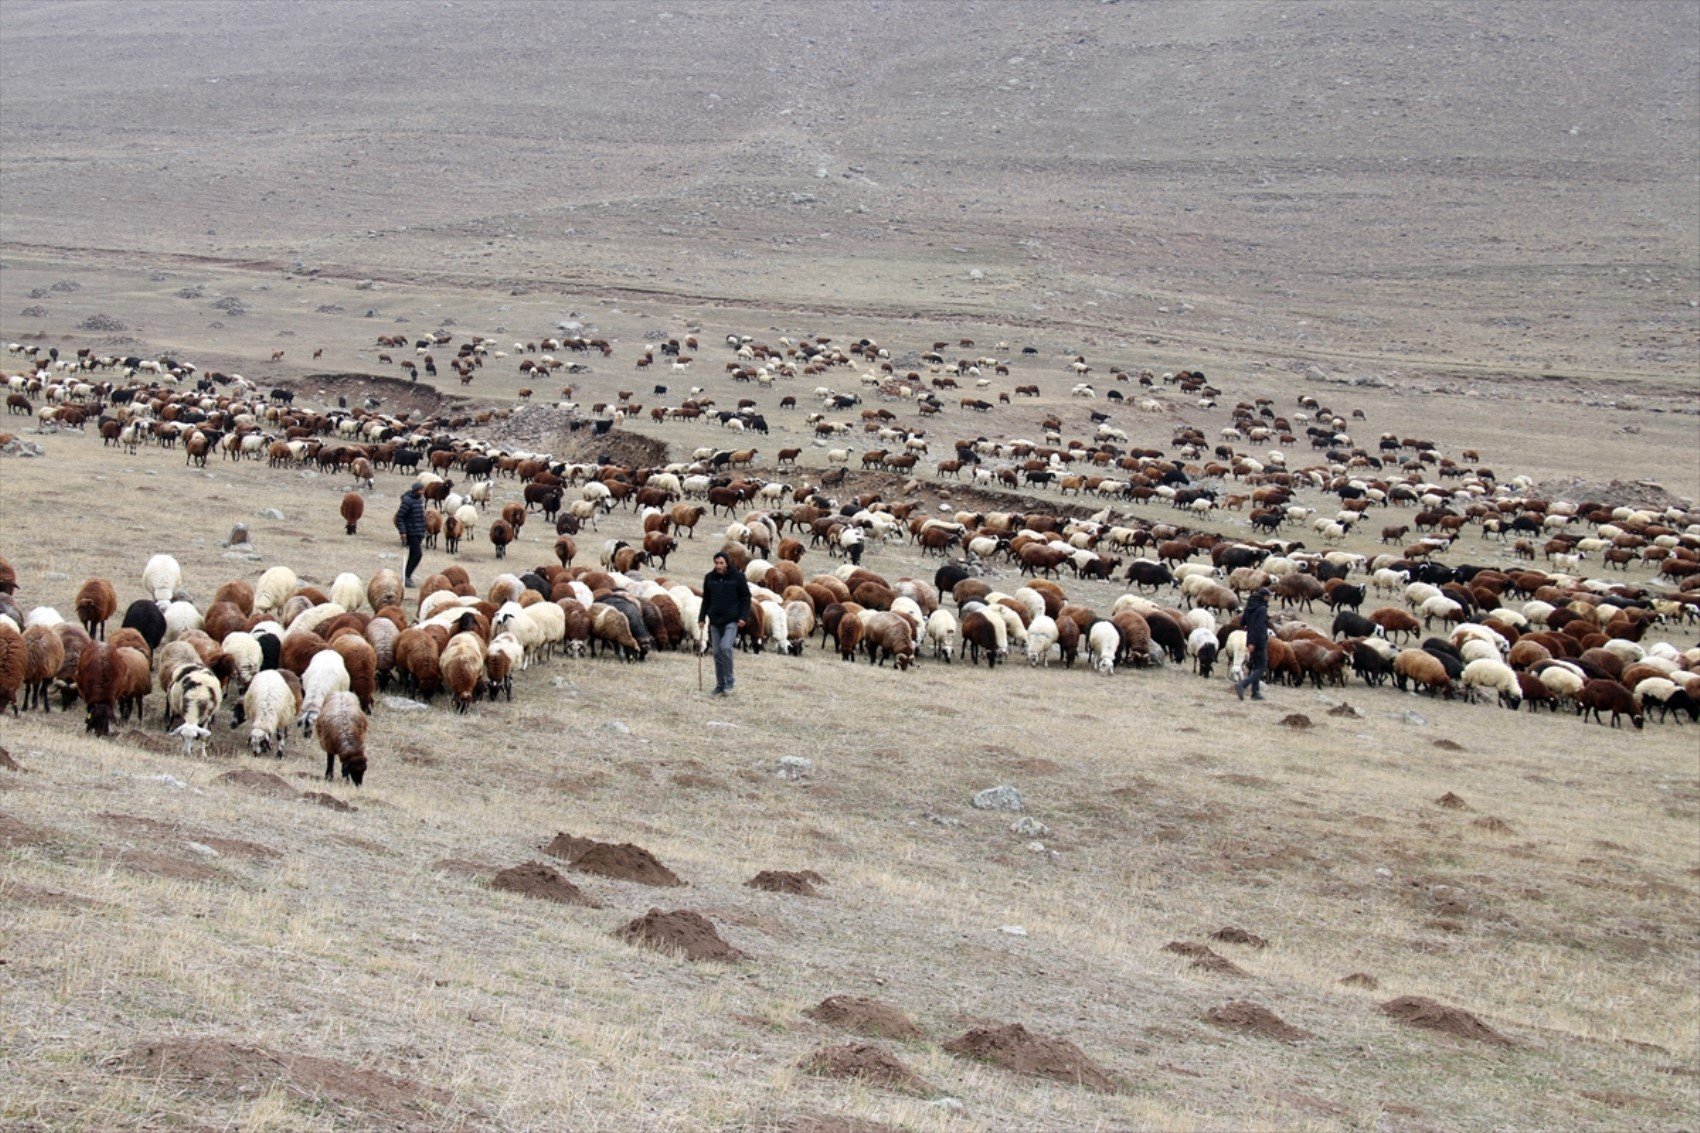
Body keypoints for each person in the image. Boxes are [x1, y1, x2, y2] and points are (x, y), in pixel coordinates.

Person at [699, 550, 751, 697]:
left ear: (727, 563)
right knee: (716, 653)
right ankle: (720, 685)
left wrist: (743, 617)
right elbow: (706, 600)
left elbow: (746, 597)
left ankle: (729, 680)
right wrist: (701, 618)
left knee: (725, 647)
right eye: (716, 563)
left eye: (721, 563)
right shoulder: (710, 578)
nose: (718, 566)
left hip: (731, 620)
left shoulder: (738, 577)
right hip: (715, 620)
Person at [1235, 586, 1271, 701]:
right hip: (1259, 640)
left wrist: (1250, 641)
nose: (1269, 598)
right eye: (1268, 596)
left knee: (1256, 665)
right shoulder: (1262, 609)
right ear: (1264, 597)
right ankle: (1243, 684)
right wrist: (1253, 642)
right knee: (1261, 666)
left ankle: (1255, 693)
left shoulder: (1250, 606)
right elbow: (1258, 626)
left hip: (1250, 637)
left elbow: (1243, 622)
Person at [394, 480, 427, 587]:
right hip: (410, 531)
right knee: (418, 554)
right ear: (415, 490)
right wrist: (403, 532)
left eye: (423, 490)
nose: (422, 492)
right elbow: (400, 517)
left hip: (418, 531)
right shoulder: (407, 501)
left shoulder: (419, 500)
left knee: (413, 554)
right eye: (420, 490)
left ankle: (407, 576)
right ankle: (407, 576)